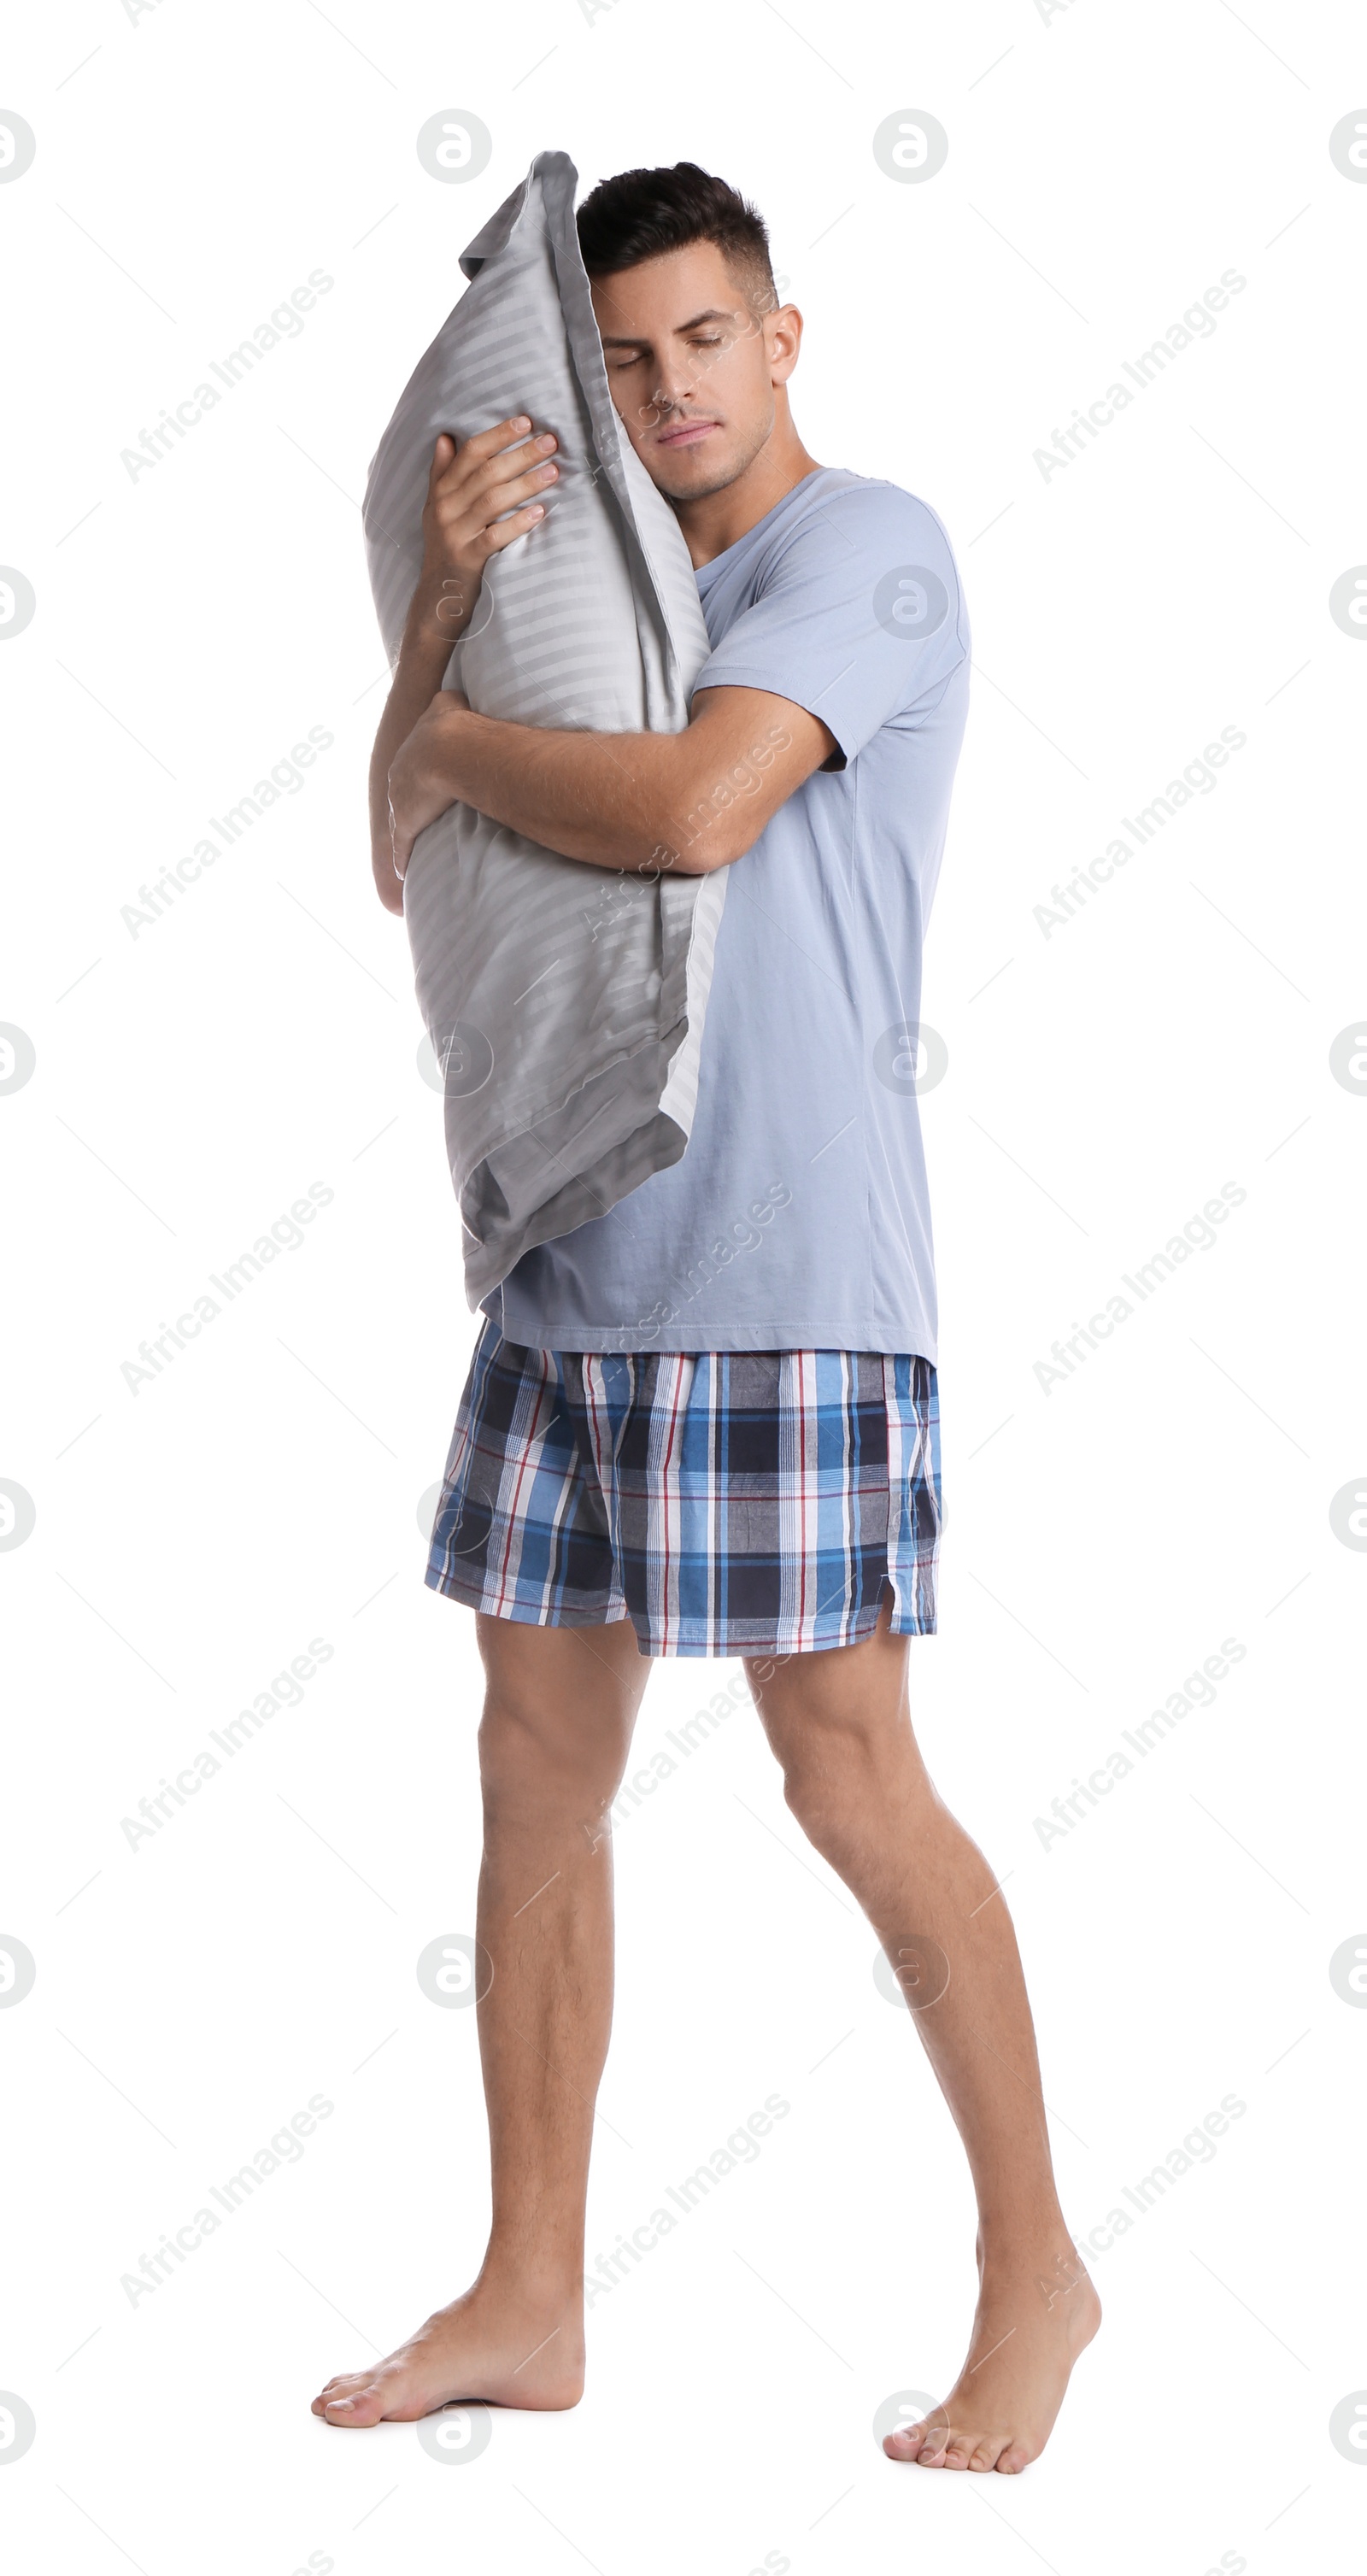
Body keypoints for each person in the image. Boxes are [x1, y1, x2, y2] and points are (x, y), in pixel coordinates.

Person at [312, 161, 1100, 2474]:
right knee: (530, 1777)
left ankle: (1036, 2268)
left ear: (781, 334)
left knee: (848, 1782)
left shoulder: (869, 554)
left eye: (704, 341)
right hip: (570, 1254)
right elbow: (399, 849)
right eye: (626, 354)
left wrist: (455, 743)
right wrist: (449, 599)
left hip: (783, 1278)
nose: (667, 389)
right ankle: (531, 2290)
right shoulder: (584, 584)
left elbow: (689, 815)